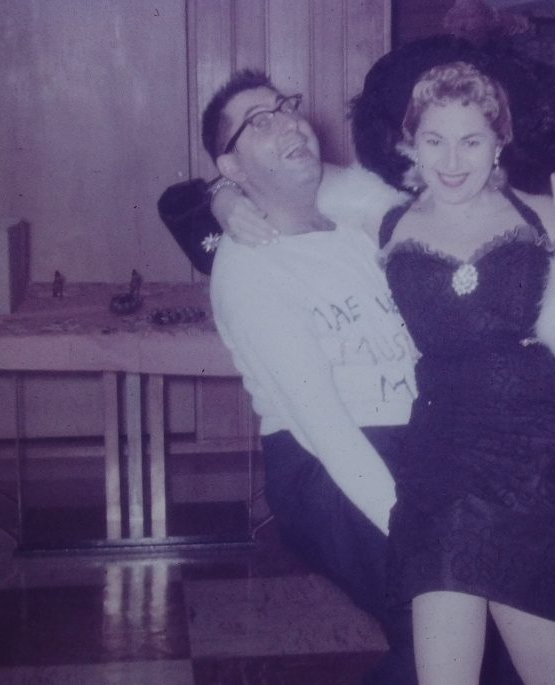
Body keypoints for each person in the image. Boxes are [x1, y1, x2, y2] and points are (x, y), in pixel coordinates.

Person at [158, 68, 524, 685]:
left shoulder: (358, 232)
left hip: (418, 442)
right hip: (328, 467)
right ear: (232, 168)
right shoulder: (249, 268)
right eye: (259, 121)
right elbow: (323, 426)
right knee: (444, 639)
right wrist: (408, 523)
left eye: (286, 108)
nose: (287, 122)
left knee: (496, 636)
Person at [357, 54, 555, 684]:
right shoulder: (384, 218)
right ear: (411, 142)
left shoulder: (547, 213)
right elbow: (288, 189)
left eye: (470, 140)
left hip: (542, 443)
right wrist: (222, 195)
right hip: (441, 442)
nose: (451, 160)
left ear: (498, 142)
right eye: (434, 140)